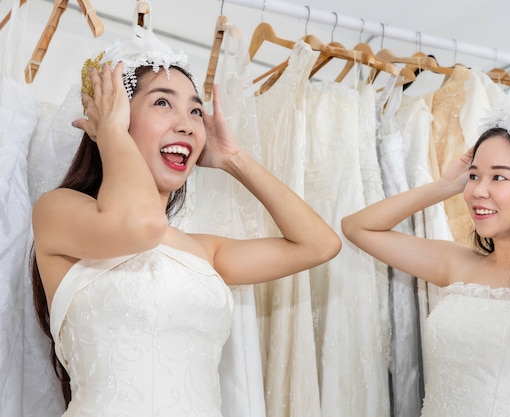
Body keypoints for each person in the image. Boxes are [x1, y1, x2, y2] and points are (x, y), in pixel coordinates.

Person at [30, 26, 341, 416]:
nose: (188, 123)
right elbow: (142, 227)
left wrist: (233, 158)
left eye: (195, 110)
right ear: (116, 114)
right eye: (163, 103)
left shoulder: (203, 251)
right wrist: (110, 134)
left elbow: (319, 244)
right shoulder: (56, 211)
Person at [341, 87, 510, 417]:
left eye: (498, 176)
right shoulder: (457, 263)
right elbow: (357, 228)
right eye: (474, 176)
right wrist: (444, 186)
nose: (477, 191)